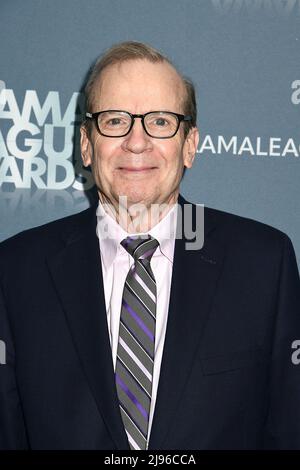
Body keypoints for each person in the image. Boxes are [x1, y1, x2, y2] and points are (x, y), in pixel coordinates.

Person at [0, 41, 300, 451]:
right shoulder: (16, 270)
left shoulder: (264, 264)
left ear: (190, 145)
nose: (136, 142)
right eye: (115, 120)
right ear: (86, 144)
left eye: (160, 121)